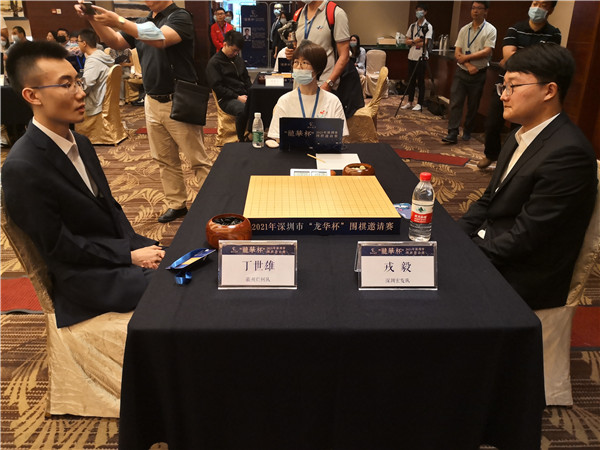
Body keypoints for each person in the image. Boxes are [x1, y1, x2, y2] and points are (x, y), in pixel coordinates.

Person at [2, 41, 164, 328]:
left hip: (112, 253)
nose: (81, 92)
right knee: (177, 289)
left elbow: (110, 208)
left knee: (190, 262)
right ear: (32, 95)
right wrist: (127, 256)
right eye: (66, 85)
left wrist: (137, 247)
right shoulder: (23, 166)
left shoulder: (82, 142)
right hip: (84, 278)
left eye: (77, 81)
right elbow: (58, 245)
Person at [458, 43, 597, 311]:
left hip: (522, 276)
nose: (503, 96)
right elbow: (488, 200)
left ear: (549, 90)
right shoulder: (519, 134)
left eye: (513, 86)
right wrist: (454, 237)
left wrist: (463, 255)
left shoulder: (569, 154)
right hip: (493, 246)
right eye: (503, 86)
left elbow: (526, 238)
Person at [77, 0, 212, 223]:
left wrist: (118, 20)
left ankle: (213, 205)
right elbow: (115, 42)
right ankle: (176, 203)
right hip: (152, 100)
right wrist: (92, 18)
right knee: (164, 159)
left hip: (178, 99)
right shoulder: (143, 22)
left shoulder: (180, 17)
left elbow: (160, 39)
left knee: (197, 159)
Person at [478, 0, 561, 169]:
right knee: (492, 123)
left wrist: (517, 56)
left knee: (519, 128)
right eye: (535, 3)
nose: (537, 8)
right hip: (505, 85)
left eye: (543, 5)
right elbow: (509, 56)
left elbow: (547, 62)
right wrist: (532, 56)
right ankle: (491, 155)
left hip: (531, 88)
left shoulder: (554, 33)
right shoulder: (515, 29)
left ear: (551, 10)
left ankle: (510, 162)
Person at [268, 40, 348, 140]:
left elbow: (341, 138)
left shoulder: (333, 101)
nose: (299, 67)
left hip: (324, 149)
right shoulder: (285, 101)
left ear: (317, 69)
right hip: (293, 150)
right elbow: (278, 138)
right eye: (296, 62)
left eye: (304, 63)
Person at [442, 1, 496, 144]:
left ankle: (467, 130)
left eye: (479, 8)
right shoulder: (464, 29)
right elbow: (458, 52)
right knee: (455, 102)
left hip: (479, 73)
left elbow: (487, 51)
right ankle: (452, 132)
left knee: (473, 105)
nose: (475, 11)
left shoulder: (490, 30)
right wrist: (467, 64)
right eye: (473, 8)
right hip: (462, 72)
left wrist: (467, 58)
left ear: (486, 11)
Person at [287, 0, 350, 92]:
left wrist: (329, 83)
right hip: (300, 83)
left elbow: (344, 56)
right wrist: (292, 53)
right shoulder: (298, 14)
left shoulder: (335, 13)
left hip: (323, 82)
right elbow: (297, 47)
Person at [207, 30, 251, 142]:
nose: (236, 53)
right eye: (234, 50)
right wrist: (237, 97)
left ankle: (252, 134)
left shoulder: (238, 60)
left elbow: (246, 79)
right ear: (225, 44)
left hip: (243, 94)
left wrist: (251, 93)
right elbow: (218, 88)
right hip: (227, 99)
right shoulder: (214, 63)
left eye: (238, 51)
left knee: (261, 103)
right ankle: (241, 139)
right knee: (242, 109)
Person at [401, 3, 433, 112]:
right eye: (417, 10)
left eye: (421, 10)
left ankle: (419, 103)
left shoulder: (428, 26)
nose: (418, 12)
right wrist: (417, 40)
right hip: (411, 56)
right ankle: (410, 101)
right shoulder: (413, 26)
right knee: (411, 80)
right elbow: (406, 41)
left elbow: (425, 43)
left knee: (420, 81)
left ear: (425, 12)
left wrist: (413, 42)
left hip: (421, 56)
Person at [77, 28, 114, 117]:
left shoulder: (93, 61)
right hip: (105, 99)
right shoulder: (103, 56)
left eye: (78, 41)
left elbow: (86, 86)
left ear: (84, 43)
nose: (77, 44)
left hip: (96, 104)